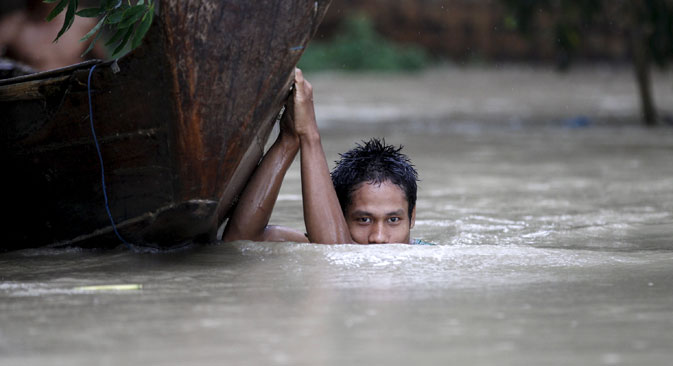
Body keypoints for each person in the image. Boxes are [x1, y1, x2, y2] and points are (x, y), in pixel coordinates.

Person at [222, 68, 420, 245]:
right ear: (339, 216)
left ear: (412, 217)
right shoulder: (322, 241)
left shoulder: (427, 259)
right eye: (363, 220)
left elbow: (334, 254)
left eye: (393, 220)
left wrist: (309, 134)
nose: (378, 237)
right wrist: (289, 140)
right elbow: (240, 241)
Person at [0, 0, 107, 72]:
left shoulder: (83, 23)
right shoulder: (10, 29)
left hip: (77, 97)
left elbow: (104, 66)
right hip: (33, 100)